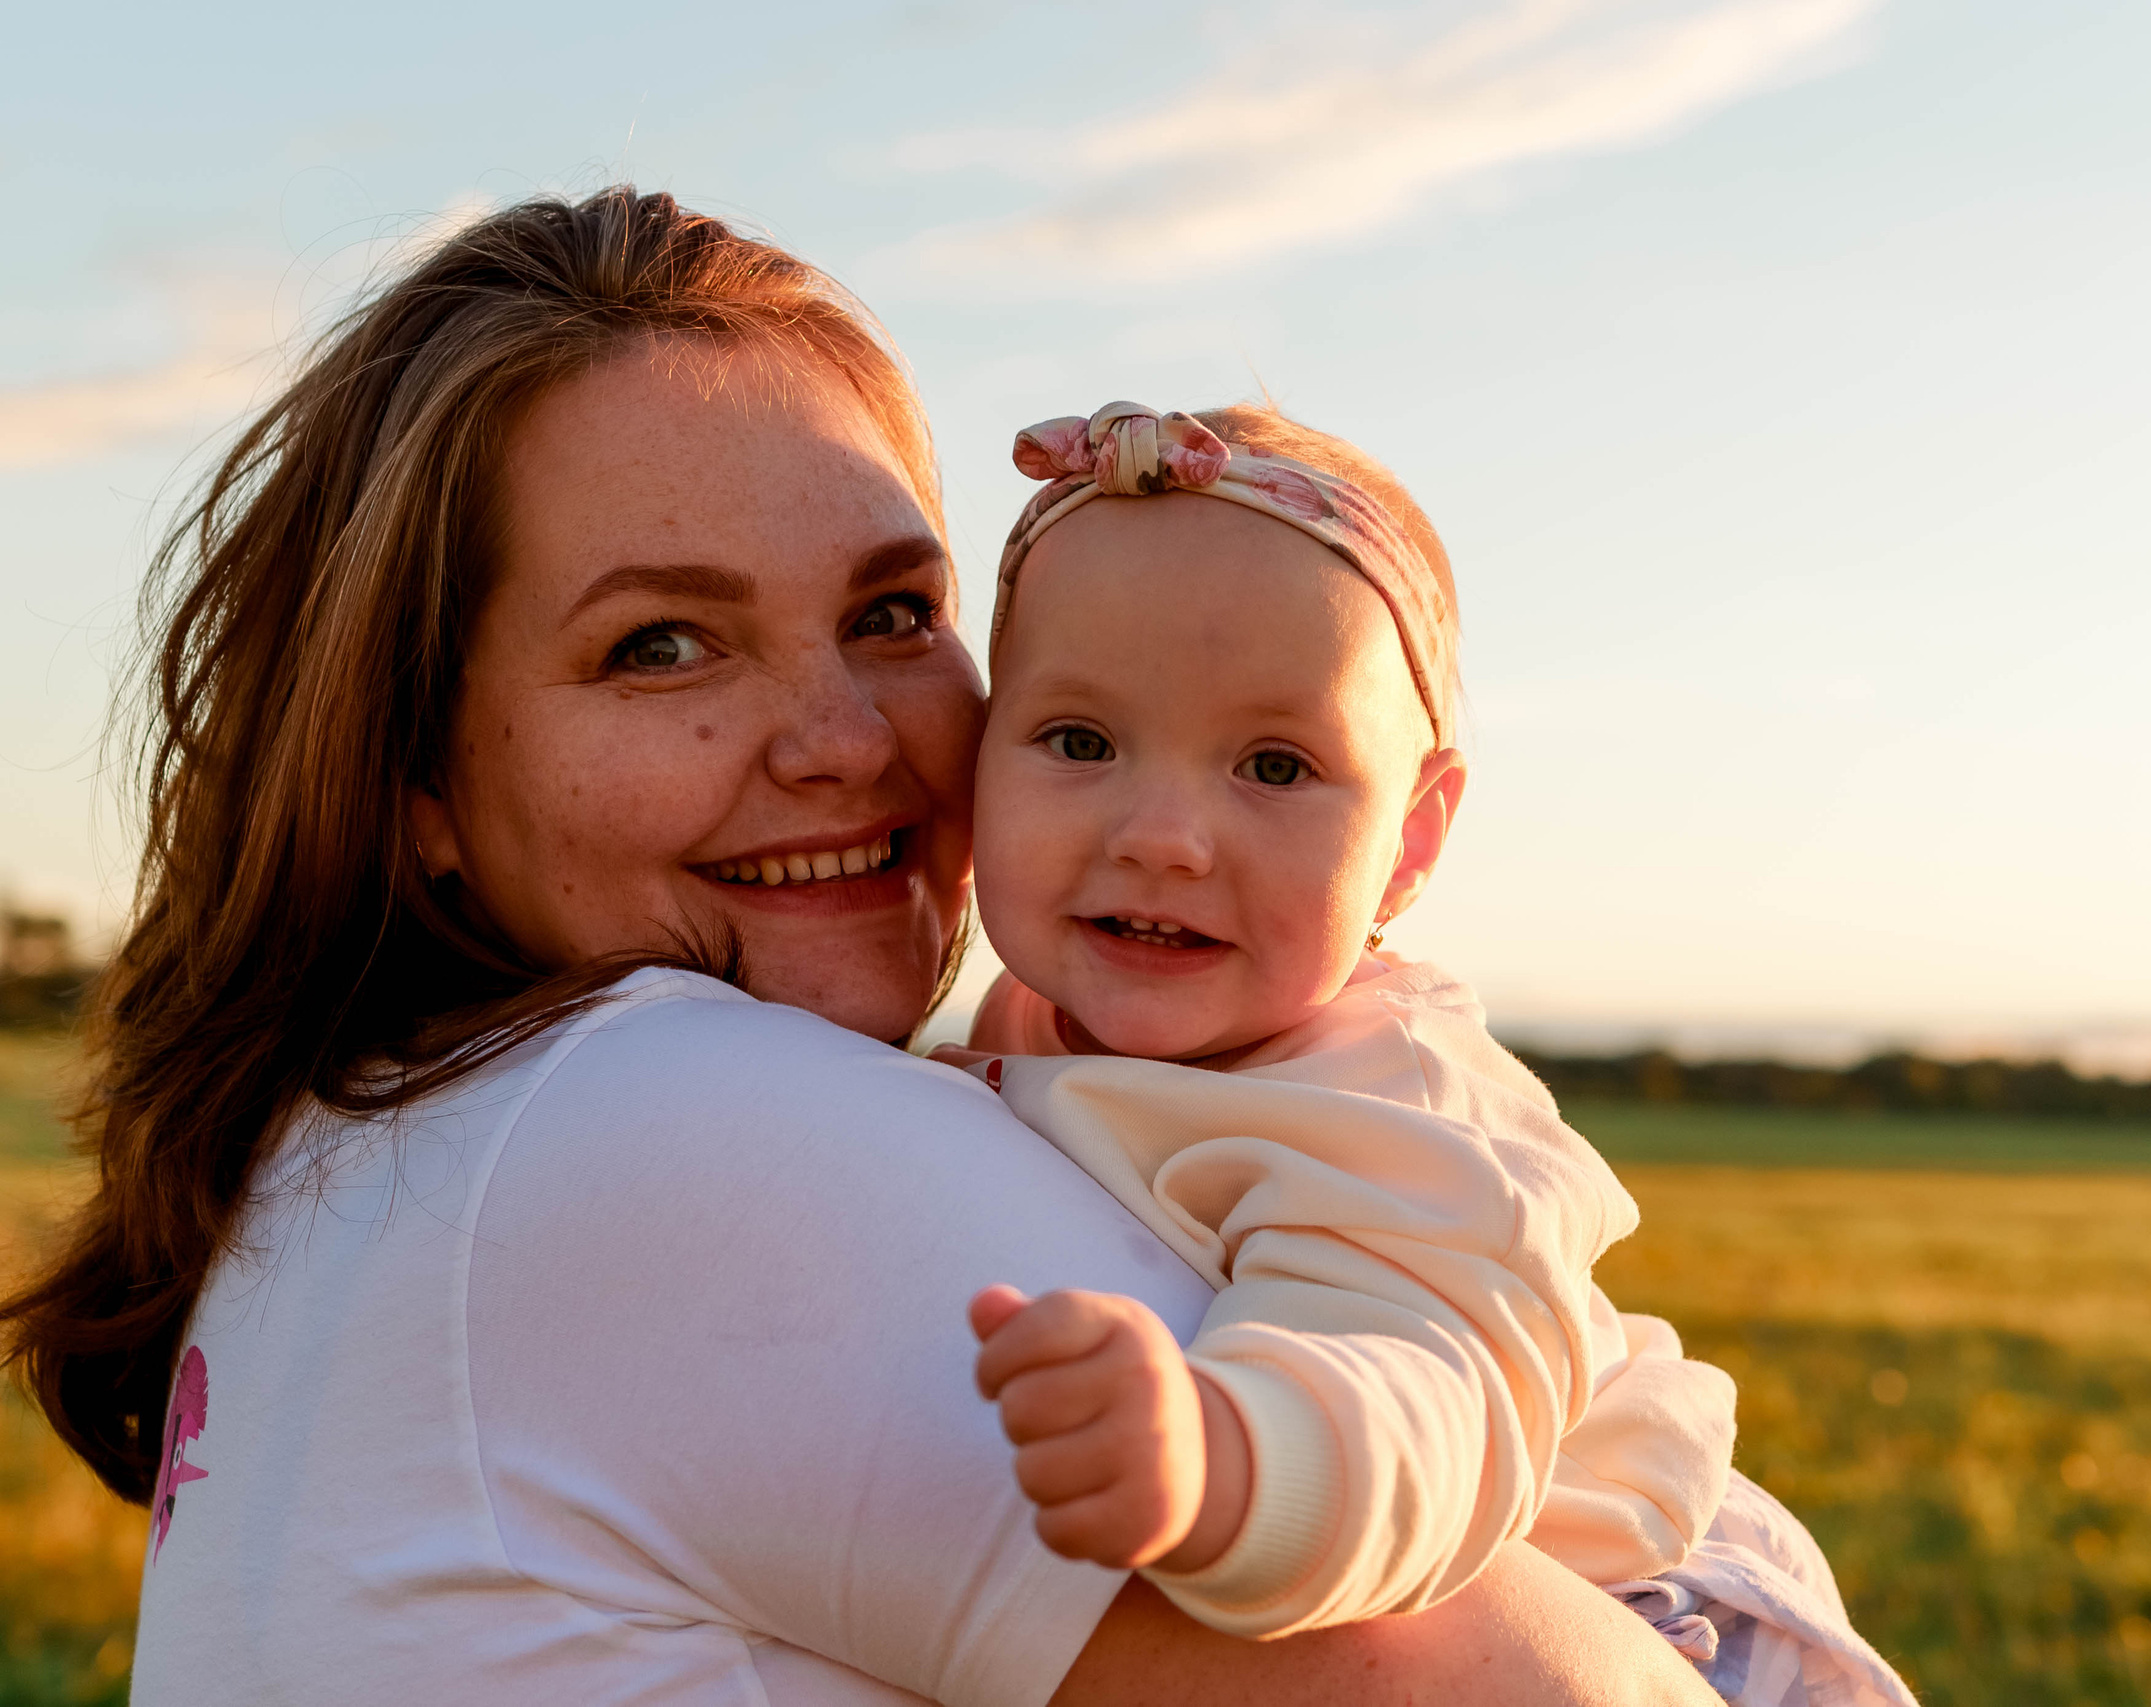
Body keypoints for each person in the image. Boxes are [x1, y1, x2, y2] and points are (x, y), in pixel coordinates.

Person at [0, 190, 1717, 1706]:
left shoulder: (379, 1143)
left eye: (895, 614)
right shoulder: (662, 1124)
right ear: (417, 781)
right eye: (661, 645)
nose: (846, 739)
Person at [946, 402, 1916, 1706]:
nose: (1162, 835)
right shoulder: (1029, 1011)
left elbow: (1421, 1397)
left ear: (1409, 841)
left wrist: (1224, 1457)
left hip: (1641, 1623)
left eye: (1274, 766)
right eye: (1080, 742)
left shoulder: (1396, 1103)